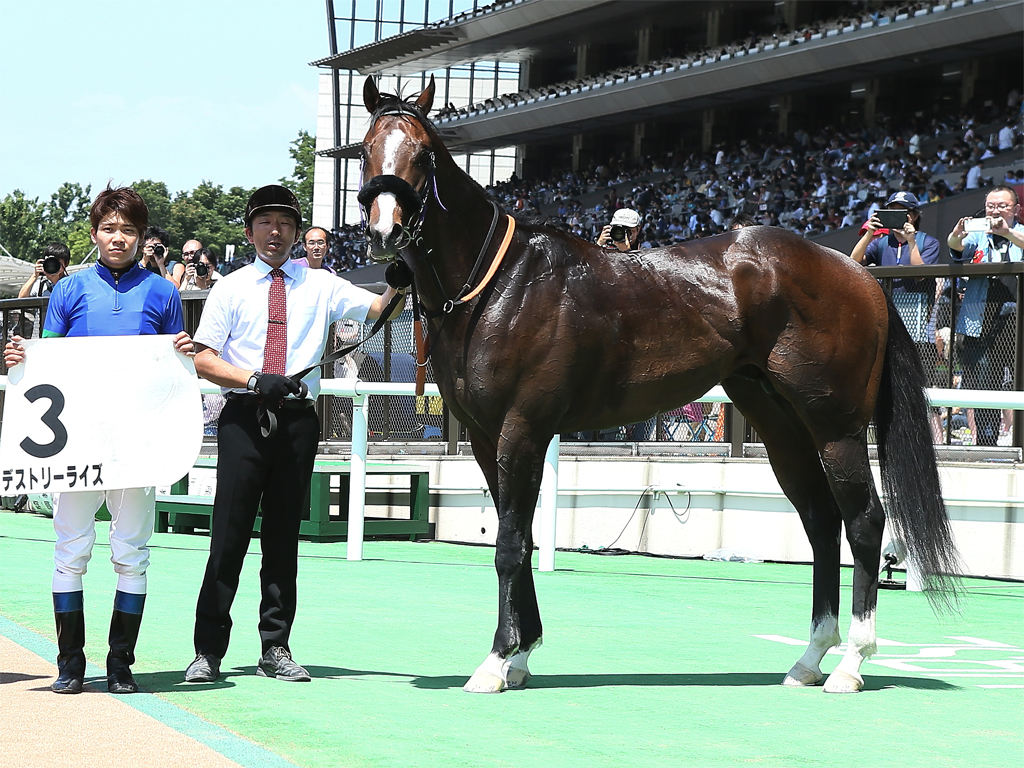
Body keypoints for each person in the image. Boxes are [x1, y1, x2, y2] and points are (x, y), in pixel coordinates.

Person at [183, 185, 407, 684]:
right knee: (229, 535)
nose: (275, 231)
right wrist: (254, 379)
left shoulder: (322, 283)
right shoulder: (232, 287)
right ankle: (208, 651)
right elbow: (203, 357)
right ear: (249, 231)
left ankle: (276, 647)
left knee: (284, 537)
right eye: (265, 222)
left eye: (284, 223)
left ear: (297, 233)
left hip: (299, 420)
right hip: (244, 415)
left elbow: (378, 312)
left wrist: (401, 280)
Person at [3, 186, 194, 695]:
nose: (117, 237)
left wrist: (184, 351)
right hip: (80, 442)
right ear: (94, 234)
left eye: (127, 230)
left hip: (138, 444)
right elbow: (51, 360)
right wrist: (23, 358)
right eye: (109, 228)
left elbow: (176, 369)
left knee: (131, 551)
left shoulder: (163, 293)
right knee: (70, 549)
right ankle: (70, 663)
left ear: (140, 237)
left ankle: (120, 664)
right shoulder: (69, 290)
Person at [947, 186, 1024, 445]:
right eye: (991, 205)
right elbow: (956, 247)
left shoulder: (1020, 232)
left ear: (1016, 209)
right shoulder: (978, 234)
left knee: (1018, 377)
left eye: (1002, 205)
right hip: (978, 319)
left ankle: (1019, 438)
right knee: (982, 379)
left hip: (1016, 319)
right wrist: (956, 235)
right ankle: (986, 439)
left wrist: (1008, 233)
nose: (995, 210)